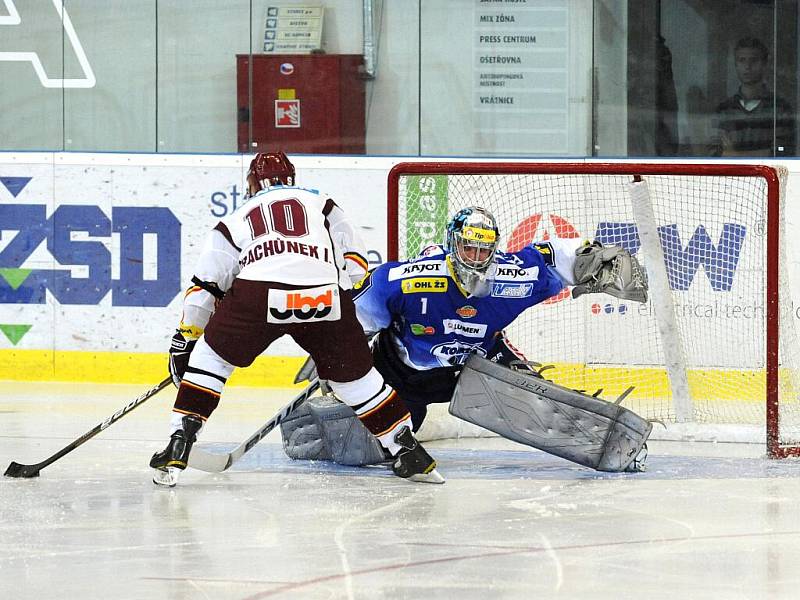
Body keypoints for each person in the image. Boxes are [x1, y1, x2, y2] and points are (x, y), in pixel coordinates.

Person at [151, 152, 444, 486]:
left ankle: (180, 442)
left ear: (251, 183)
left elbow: (206, 286)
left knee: (211, 360)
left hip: (259, 294)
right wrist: (343, 317)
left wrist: (185, 340)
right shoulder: (322, 203)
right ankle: (408, 451)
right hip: (324, 295)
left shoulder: (233, 219)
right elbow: (357, 264)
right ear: (291, 179)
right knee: (357, 381)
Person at [284, 206, 648, 468]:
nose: (476, 258)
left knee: (532, 400)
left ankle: (600, 439)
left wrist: (595, 260)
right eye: (468, 247)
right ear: (451, 244)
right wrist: (333, 350)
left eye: (484, 249)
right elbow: (359, 313)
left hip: (476, 365)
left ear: (494, 249)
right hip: (398, 373)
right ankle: (319, 418)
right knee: (370, 448)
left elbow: (554, 256)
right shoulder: (407, 280)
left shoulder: (511, 279)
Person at [712, 36, 795, 157]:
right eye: (742, 60)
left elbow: (782, 153)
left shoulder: (780, 108)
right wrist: (764, 152)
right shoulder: (724, 110)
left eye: (754, 60)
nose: (747, 66)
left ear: (764, 64)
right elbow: (715, 154)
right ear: (735, 65)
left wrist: (735, 154)